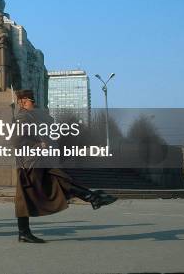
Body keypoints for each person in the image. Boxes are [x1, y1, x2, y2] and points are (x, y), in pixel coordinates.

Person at [13, 89, 118, 243]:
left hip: (34, 162)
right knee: (53, 184)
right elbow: (16, 140)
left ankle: (92, 198)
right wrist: (37, 145)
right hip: (30, 163)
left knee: (51, 184)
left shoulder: (27, 115)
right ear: (23, 101)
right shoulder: (22, 116)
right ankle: (92, 197)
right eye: (31, 101)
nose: (33, 104)